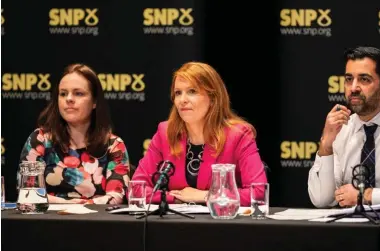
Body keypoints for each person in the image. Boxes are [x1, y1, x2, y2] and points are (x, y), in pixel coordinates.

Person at [131, 62, 267, 206]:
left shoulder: (238, 135)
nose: (182, 100)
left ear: (213, 98)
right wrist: (176, 199)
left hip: (221, 224)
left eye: (192, 91)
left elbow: (258, 192)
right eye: (178, 93)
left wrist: (205, 196)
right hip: (177, 225)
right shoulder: (165, 132)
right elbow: (136, 188)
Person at [308, 46, 380, 208]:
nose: (353, 88)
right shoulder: (341, 130)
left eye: (364, 79)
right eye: (348, 79)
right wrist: (326, 146)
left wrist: (367, 195)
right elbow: (322, 200)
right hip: (352, 231)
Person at [19, 63, 130, 204]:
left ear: (94, 101)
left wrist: (85, 207)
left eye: (78, 93)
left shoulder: (113, 145)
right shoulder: (39, 140)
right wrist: (68, 205)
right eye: (63, 93)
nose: (69, 99)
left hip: (96, 222)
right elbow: (28, 192)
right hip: (47, 222)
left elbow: (117, 196)